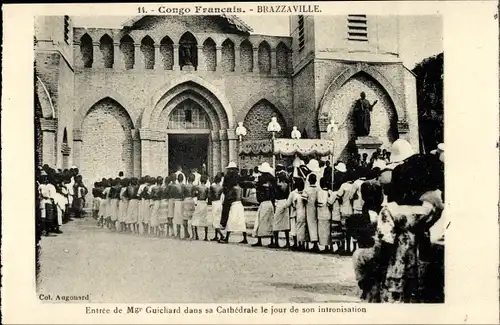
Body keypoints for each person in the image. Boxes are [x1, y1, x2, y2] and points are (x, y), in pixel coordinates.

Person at [252, 162, 276, 247]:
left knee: (260, 220)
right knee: (270, 221)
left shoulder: (261, 178)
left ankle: (259, 240)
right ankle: (272, 240)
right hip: (270, 202)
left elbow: (258, 190)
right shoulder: (273, 178)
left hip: (263, 202)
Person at [222, 173, 248, 244]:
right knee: (241, 221)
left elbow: (228, 197)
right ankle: (245, 238)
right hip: (240, 205)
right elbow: (241, 198)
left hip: (234, 205)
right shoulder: (240, 188)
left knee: (230, 220)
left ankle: (226, 238)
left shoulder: (233, 188)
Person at [284, 178, 306, 251]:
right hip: (303, 213)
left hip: (295, 213)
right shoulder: (305, 192)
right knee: (301, 229)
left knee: (294, 229)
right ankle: (301, 244)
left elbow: (287, 204)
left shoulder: (293, 193)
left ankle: (297, 243)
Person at [271, 171, 291, 248]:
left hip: (279, 202)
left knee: (276, 222)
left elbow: (276, 193)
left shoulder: (278, 185)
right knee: (286, 223)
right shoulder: (287, 185)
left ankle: (276, 242)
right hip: (285, 202)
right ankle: (287, 242)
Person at [336, 171, 355, 254]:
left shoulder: (344, 185)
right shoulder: (354, 186)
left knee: (343, 230)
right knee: (350, 230)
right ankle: (350, 248)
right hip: (351, 210)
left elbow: (338, 196)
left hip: (343, 209)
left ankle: (344, 248)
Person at [302, 173, 320, 252]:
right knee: (316, 225)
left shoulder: (306, 189)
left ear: (309, 181)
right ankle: (315, 243)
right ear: (316, 181)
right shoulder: (318, 189)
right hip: (318, 209)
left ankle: (310, 244)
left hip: (309, 208)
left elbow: (304, 200)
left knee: (310, 225)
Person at [317, 178, 334, 253]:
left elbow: (317, 202)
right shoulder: (330, 192)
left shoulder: (319, 192)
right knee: (329, 231)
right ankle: (331, 246)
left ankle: (326, 247)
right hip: (328, 213)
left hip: (321, 214)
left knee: (323, 232)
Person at [192, 175, 210, 241]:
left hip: (199, 202)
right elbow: (209, 196)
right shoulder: (207, 188)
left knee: (196, 218)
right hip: (204, 203)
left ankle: (196, 235)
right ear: (206, 181)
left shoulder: (197, 187)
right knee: (205, 219)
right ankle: (206, 236)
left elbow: (194, 194)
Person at [210, 174, 224, 241]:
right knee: (217, 219)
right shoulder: (221, 187)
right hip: (219, 202)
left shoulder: (212, 186)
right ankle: (216, 236)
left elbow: (210, 196)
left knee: (215, 220)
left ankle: (221, 235)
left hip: (214, 203)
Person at [182, 174, 196, 239]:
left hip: (186, 200)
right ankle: (194, 235)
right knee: (193, 218)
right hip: (191, 200)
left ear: (188, 178)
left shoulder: (184, 186)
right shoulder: (194, 186)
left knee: (185, 218)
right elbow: (195, 194)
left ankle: (186, 233)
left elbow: (182, 194)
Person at [171, 173, 185, 239]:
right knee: (183, 218)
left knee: (177, 218)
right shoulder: (184, 186)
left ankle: (178, 234)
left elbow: (172, 195)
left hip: (177, 202)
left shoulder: (175, 186)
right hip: (183, 202)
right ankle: (185, 233)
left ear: (177, 179)